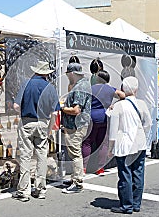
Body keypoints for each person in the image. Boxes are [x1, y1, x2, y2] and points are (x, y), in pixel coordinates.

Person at [11, 61, 60, 202]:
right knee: (42, 156)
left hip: (27, 121)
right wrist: (50, 129)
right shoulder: (50, 87)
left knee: (25, 156)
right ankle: (40, 189)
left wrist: (23, 113)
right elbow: (55, 113)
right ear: (46, 74)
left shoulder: (26, 84)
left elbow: (15, 105)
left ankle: (24, 190)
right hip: (44, 123)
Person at [107, 76, 152, 214]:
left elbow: (113, 131)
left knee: (125, 175)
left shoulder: (119, 106)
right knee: (138, 173)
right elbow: (148, 123)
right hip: (139, 144)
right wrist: (140, 133)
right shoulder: (142, 104)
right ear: (136, 89)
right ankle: (136, 203)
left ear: (122, 89)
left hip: (124, 144)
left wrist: (110, 148)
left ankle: (126, 205)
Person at [81, 70, 125, 175]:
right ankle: (100, 168)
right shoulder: (110, 89)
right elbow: (123, 95)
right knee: (103, 143)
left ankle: (83, 167)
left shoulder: (90, 89)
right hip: (105, 117)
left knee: (87, 143)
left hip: (91, 117)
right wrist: (115, 104)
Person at [61, 63, 92, 194]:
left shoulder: (79, 87)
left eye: (68, 74)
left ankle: (78, 181)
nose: (67, 76)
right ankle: (75, 177)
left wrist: (61, 107)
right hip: (81, 124)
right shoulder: (85, 84)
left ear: (72, 73)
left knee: (75, 153)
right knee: (75, 151)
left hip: (75, 125)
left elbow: (76, 110)